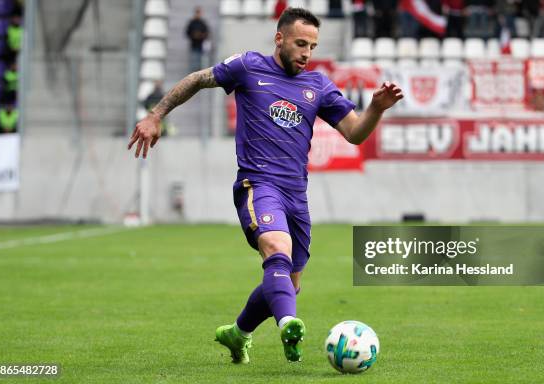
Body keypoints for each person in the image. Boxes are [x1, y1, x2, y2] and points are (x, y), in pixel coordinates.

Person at [127, 7, 403, 364]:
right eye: (300, 43)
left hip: (296, 194)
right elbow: (198, 78)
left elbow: (353, 133)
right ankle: (289, 323)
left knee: (291, 283)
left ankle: (238, 333)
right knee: (276, 246)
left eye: (313, 46)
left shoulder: (317, 85)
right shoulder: (248, 66)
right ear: (279, 38)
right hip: (258, 183)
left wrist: (377, 109)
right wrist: (156, 114)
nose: (306, 52)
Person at [185, 7, 209, 71]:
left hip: (201, 45)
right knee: (194, 62)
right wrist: (194, 35)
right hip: (194, 45)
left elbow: (207, 33)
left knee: (200, 63)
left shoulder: (202, 23)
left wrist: (200, 35)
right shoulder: (192, 22)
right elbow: (187, 32)